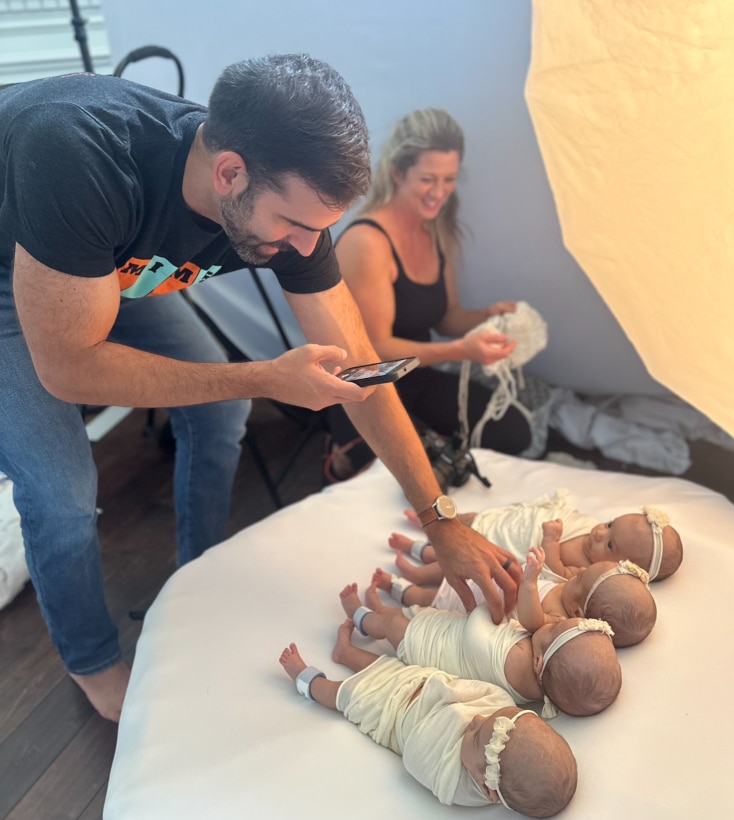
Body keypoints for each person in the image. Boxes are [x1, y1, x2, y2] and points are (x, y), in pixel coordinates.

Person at [0, 56, 520, 722]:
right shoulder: (77, 151)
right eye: (294, 225)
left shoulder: (290, 209)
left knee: (223, 413)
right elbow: (67, 368)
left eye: (319, 227)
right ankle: (91, 661)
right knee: (62, 489)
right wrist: (265, 374)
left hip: (101, 266)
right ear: (230, 174)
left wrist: (438, 518)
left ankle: (195, 576)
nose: (308, 245)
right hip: (20, 277)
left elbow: (359, 366)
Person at [324, 107, 533, 481]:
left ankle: (418, 444)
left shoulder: (433, 230)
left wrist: (488, 315)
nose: (439, 192)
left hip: (417, 379)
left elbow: (447, 316)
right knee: (420, 478)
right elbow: (375, 351)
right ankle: (345, 451)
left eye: (449, 179)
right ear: (398, 173)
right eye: (427, 179)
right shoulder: (368, 242)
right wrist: (460, 352)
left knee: (515, 432)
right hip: (366, 389)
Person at [279, 621, 577, 817]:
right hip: (421, 685)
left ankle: (306, 680)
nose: (474, 720)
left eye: (473, 737)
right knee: (387, 665)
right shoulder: (498, 724)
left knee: (344, 695)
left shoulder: (457, 785)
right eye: (488, 717)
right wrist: (446, 692)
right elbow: (484, 691)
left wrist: (452, 707)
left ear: (487, 787)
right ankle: (346, 653)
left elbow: (415, 755)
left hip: (388, 714)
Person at [339, 571, 621, 717]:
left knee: (394, 626)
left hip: (433, 645)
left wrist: (491, 607)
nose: (550, 621)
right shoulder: (541, 682)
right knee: (406, 617)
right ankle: (375, 611)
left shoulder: (515, 661)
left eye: (554, 628)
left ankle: (361, 618)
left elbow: (476, 635)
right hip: (448, 640)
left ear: (538, 661)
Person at [381, 493, 682, 603]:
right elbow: (566, 515)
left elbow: (558, 572)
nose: (599, 532)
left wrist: (550, 541)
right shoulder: (589, 526)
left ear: (618, 566)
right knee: (465, 539)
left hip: (520, 558)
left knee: (459, 567)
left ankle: (418, 572)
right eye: (609, 523)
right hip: (517, 540)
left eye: (610, 544)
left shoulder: (588, 571)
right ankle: (422, 542)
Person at [375, 554, 656, 649]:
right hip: (496, 583)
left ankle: (399, 593)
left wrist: (531, 583)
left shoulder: (560, 618)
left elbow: (531, 621)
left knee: (433, 598)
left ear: (578, 611)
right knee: (457, 569)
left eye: (581, 579)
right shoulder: (568, 590)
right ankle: (415, 572)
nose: (579, 571)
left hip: (482, 602)